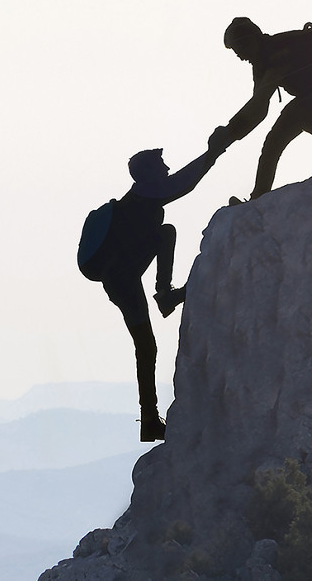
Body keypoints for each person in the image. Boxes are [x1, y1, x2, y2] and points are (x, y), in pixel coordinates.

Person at [78, 126, 233, 442]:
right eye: (161, 167)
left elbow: (176, 184)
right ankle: (149, 419)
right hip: (122, 281)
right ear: (147, 174)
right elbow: (183, 184)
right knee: (146, 346)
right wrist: (214, 152)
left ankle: (164, 295)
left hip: (123, 275)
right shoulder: (144, 196)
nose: (166, 169)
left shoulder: (140, 198)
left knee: (165, 232)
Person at [217, 17, 312, 202]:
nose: (240, 57)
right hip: (310, 98)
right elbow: (259, 108)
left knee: (296, 117)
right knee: (273, 142)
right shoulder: (262, 64)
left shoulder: (276, 52)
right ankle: (258, 197)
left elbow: (259, 103)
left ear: (251, 40)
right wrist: (230, 133)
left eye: (239, 49)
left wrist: (229, 132)